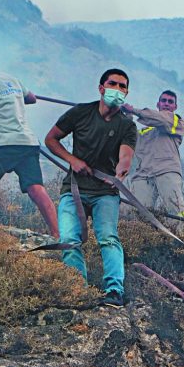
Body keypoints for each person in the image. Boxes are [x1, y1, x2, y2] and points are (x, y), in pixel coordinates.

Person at [45, 69, 137, 308]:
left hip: (106, 192)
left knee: (108, 238)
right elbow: (51, 139)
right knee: (68, 239)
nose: (117, 89)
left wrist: (119, 175)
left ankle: (114, 291)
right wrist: (72, 160)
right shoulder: (81, 112)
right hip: (74, 188)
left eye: (122, 86)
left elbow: (126, 156)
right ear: (101, 88)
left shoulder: (127, 125)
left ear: (126, 92)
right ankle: (77, 290)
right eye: (113, 84)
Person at [0, 48, 58, 237]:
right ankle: (57, 234)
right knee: (35, 188)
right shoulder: (12, 79)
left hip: (5, 144)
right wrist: (11, 96)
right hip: (28, 142)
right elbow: (31, 98)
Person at [123, 90, 184, 218]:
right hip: (144, 174)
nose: (166, 103)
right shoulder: (145, 131)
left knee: (176, 209)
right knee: (135, 212)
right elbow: (129, 137)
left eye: (170, 102)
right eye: (163, 100)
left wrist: (133, 110)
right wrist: (127, 116)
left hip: (167, 170)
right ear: (158, 104)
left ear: (175, 107)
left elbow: (161, 119)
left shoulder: (176, 122)